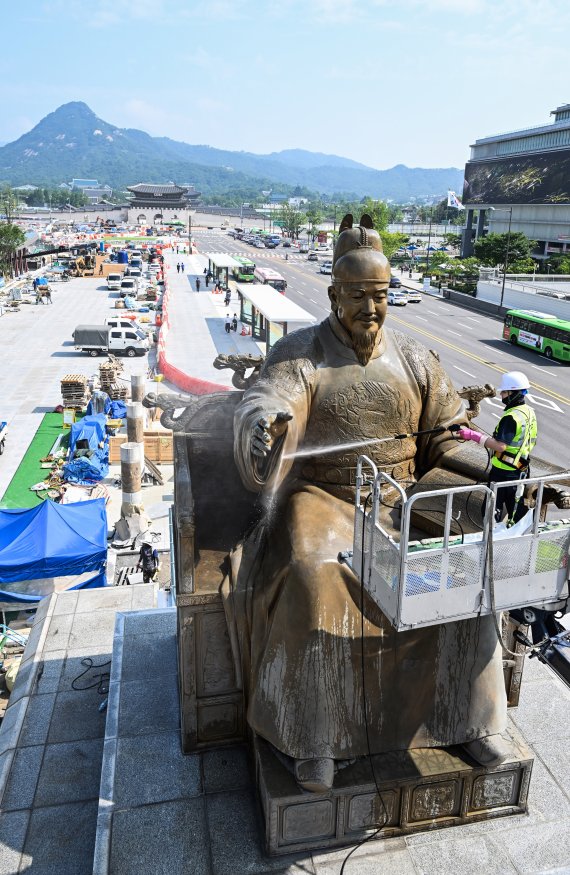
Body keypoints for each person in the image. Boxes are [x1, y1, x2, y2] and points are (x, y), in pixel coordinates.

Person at [225, 216, 508, 794]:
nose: (370, 310)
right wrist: (265, 426)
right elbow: (269, 398)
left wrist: (496, 475)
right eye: (357, 297)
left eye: (379, 297)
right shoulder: (302, 354)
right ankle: (315, 738)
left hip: (401, 497)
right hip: (323, 497)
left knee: (465, 572)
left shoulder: (416, 359)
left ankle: (464, 716)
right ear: (334, 295)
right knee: (311, 576)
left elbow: (447, 436)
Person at [454, 371, 537, 525]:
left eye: (504, 392)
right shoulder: (528, 412)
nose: (502, 396)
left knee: (490, 513)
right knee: (515, 515)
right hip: (520, 471)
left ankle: (491, 543)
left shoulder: (511, 417)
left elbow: (500, 445)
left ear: (513, 393)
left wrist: (472, 435)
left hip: (504, 473)